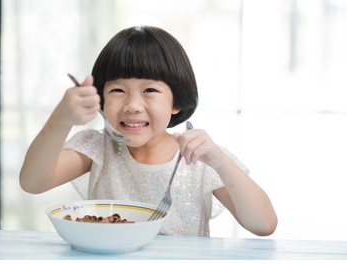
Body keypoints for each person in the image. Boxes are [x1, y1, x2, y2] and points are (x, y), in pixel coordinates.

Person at [20, 26, 277, 237]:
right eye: (117, 91)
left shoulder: (198, 157)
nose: (132, 105)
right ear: (101, 99)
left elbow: (263, 225)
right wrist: (61, 119)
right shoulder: (98, 147)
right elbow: (33, 182)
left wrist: (221, 162)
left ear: (176, 101)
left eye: (150, 91)